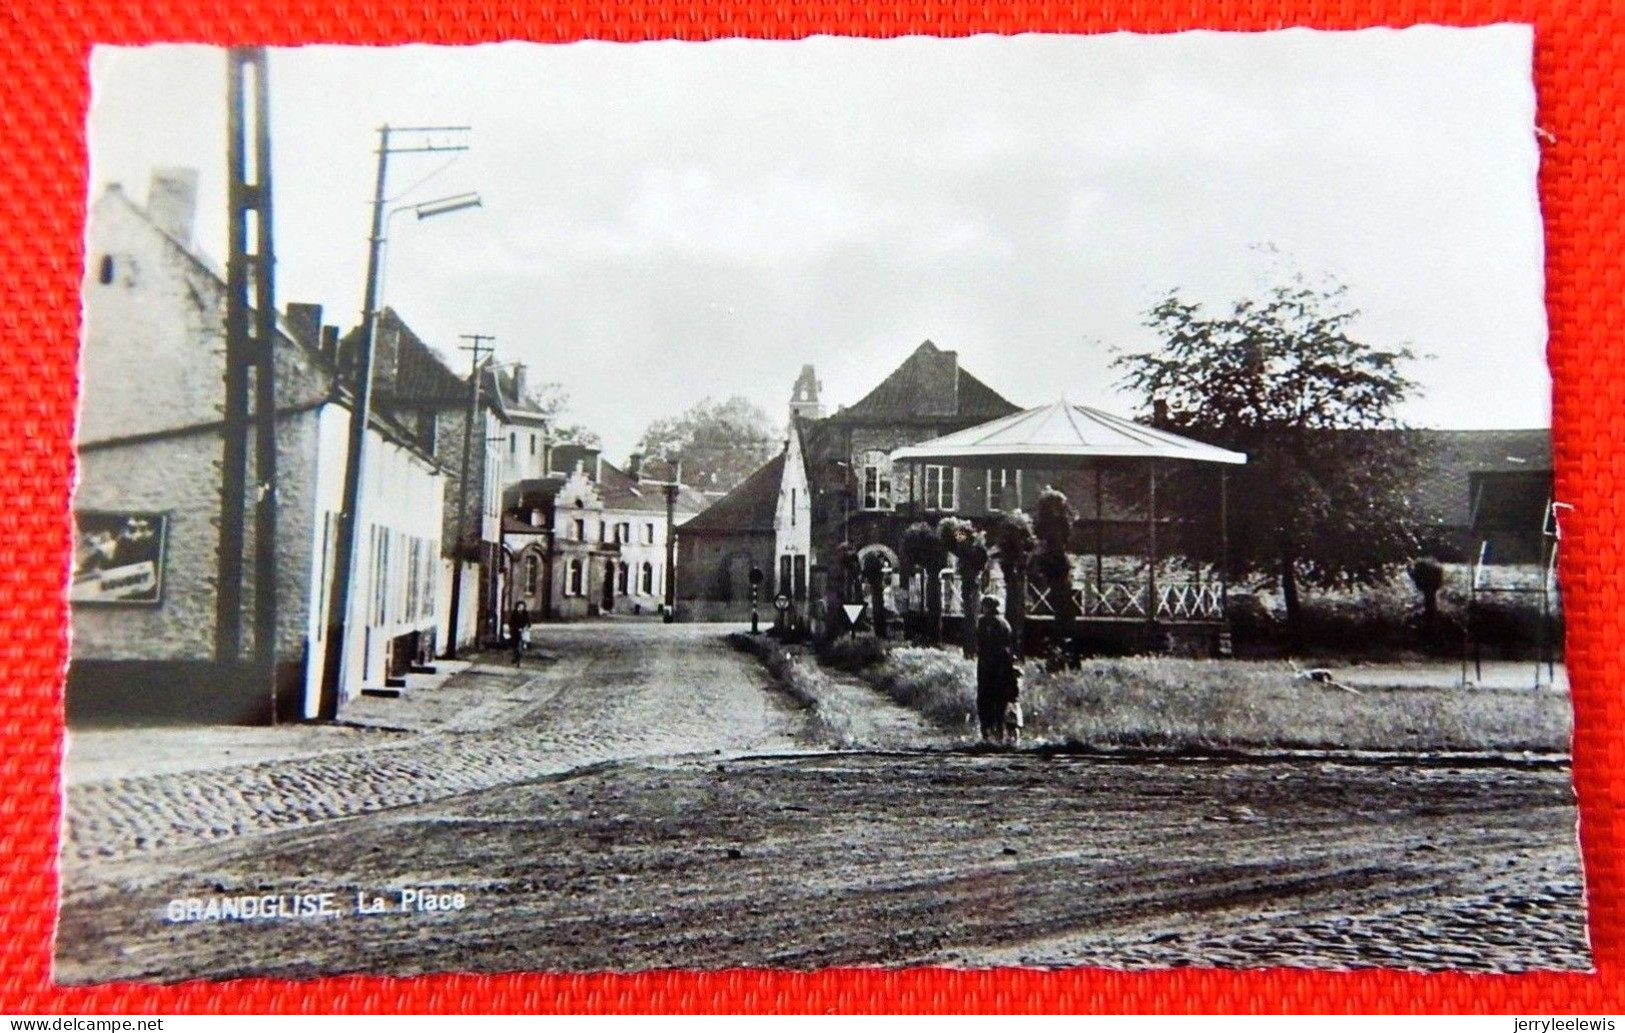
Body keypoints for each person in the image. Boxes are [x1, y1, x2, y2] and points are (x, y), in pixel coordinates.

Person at [975, 595, 1019, 744]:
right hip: (1004, 666)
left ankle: (987, 735)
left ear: (987, 607)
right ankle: (1001, 734)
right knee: (1001, 701)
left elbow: (983, 644)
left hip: (988, 667)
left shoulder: (985, 622)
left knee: (985, 700)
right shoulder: (1005, 623)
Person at [510, 600, 533, 666]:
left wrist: (528, 627)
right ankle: (516, 657)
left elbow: (528, 621)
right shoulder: (514, 613)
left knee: (521, 645)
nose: (521, 607)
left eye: (522, 606)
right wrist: (516, 628)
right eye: (519, 606)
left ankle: (518, 657)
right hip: (515, 632)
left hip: (523, 631)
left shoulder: (525, 613)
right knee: (515, 646)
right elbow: (511, 622)